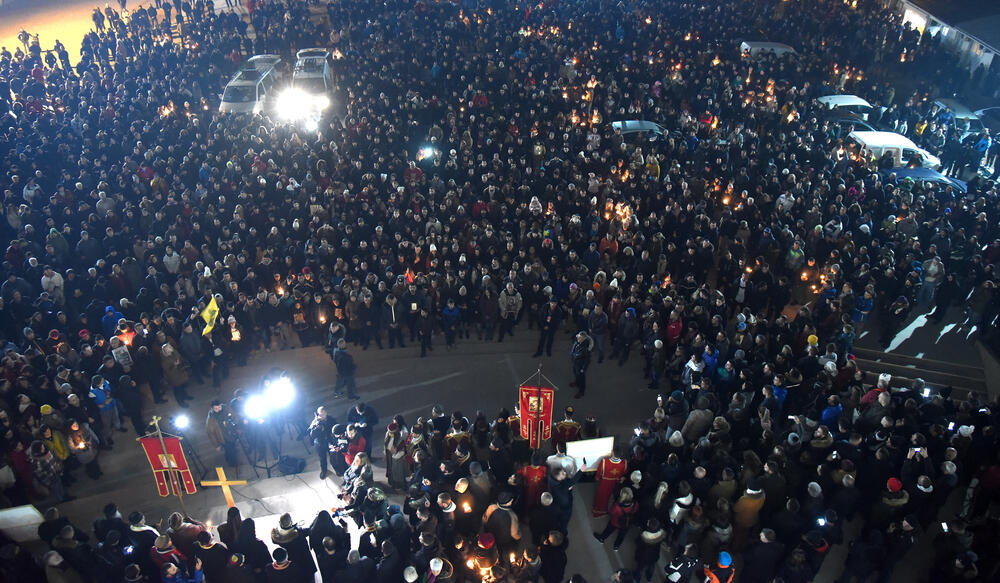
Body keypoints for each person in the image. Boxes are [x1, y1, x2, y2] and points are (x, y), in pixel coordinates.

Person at [206, 400, 241, 468]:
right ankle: (233, 464)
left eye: (219, 407)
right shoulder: (211, 418)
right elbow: (210, 433)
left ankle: (229, 459)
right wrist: (216, 445)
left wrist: (237, 427)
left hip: (232, 433)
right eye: (216, 408)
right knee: (230, 450)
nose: (218, 409)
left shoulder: (227, 409)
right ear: (212, 409)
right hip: (223, 437)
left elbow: (235, 417)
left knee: (232, 448)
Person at [308, 406, 335, 479]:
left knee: (333, 457)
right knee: (322, 458)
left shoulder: (331, 419)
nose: (321, 416)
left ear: (326, 413)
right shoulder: (315, 422)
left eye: (323, 414)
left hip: (329, 442)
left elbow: (335, 429)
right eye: (320, 414)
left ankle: (336, 468)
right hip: (320, 443)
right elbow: (311, 435)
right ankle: (324, 471)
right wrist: (317, 427)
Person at [569, 332, 593, 399]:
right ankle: (576, 382)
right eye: (578, 337)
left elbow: (587, 360)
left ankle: (581, 392)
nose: (578, 338)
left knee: (582, 378)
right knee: (576, 373)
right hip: (575, 363)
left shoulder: (585, 348)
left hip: (580, 365)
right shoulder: (576, 342)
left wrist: (583, 368)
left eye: (580, 338)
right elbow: (573, 351)